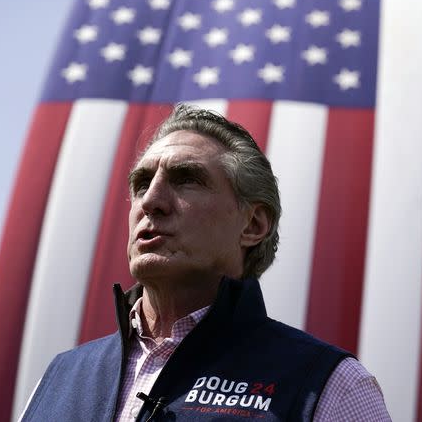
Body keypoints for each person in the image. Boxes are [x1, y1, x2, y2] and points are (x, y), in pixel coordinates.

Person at [20, 104, 391, 421]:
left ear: (253, 224)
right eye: (141, 183)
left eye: (186, 180)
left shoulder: (329, 386)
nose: (151, 201)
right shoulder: (57, 378)